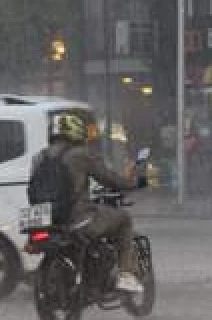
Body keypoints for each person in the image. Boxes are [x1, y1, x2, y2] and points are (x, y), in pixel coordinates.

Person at [35, 113, 143, 294]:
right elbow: (110, 180)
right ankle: (126, 275)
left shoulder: (39, 158)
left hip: (47, 221)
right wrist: (135, 183)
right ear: (77, 132)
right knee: (123, 220)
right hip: (79, 218)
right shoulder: (80, 154)